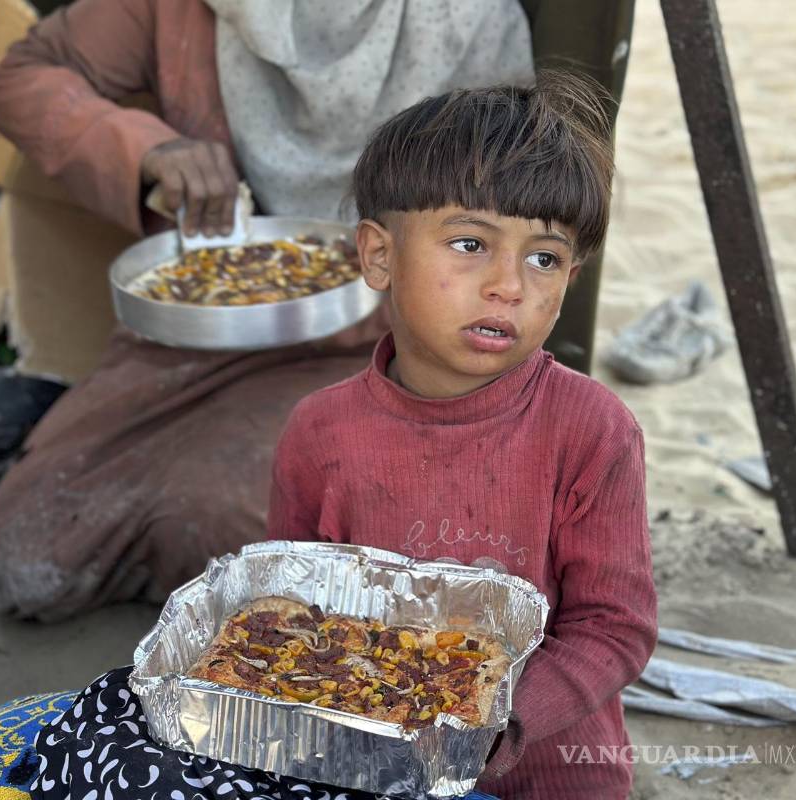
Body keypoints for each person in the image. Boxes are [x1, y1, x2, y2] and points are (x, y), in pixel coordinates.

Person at [0, 0, 635, 620]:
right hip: (207, 323)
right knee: (32, 559)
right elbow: (26, 78)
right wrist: (145, 148)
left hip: (385, 341)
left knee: (241, 522)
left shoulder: (468, 20)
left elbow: (507, 222)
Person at [267, 75, 657, 799]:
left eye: (544, 258)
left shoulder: (591, 430)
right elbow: (296, 615)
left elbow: (615, 626)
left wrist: (498, 719)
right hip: (372, 769)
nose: (509, 284)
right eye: (471, 243)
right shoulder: (320, 434)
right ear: (379, 256)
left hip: (547, 775)